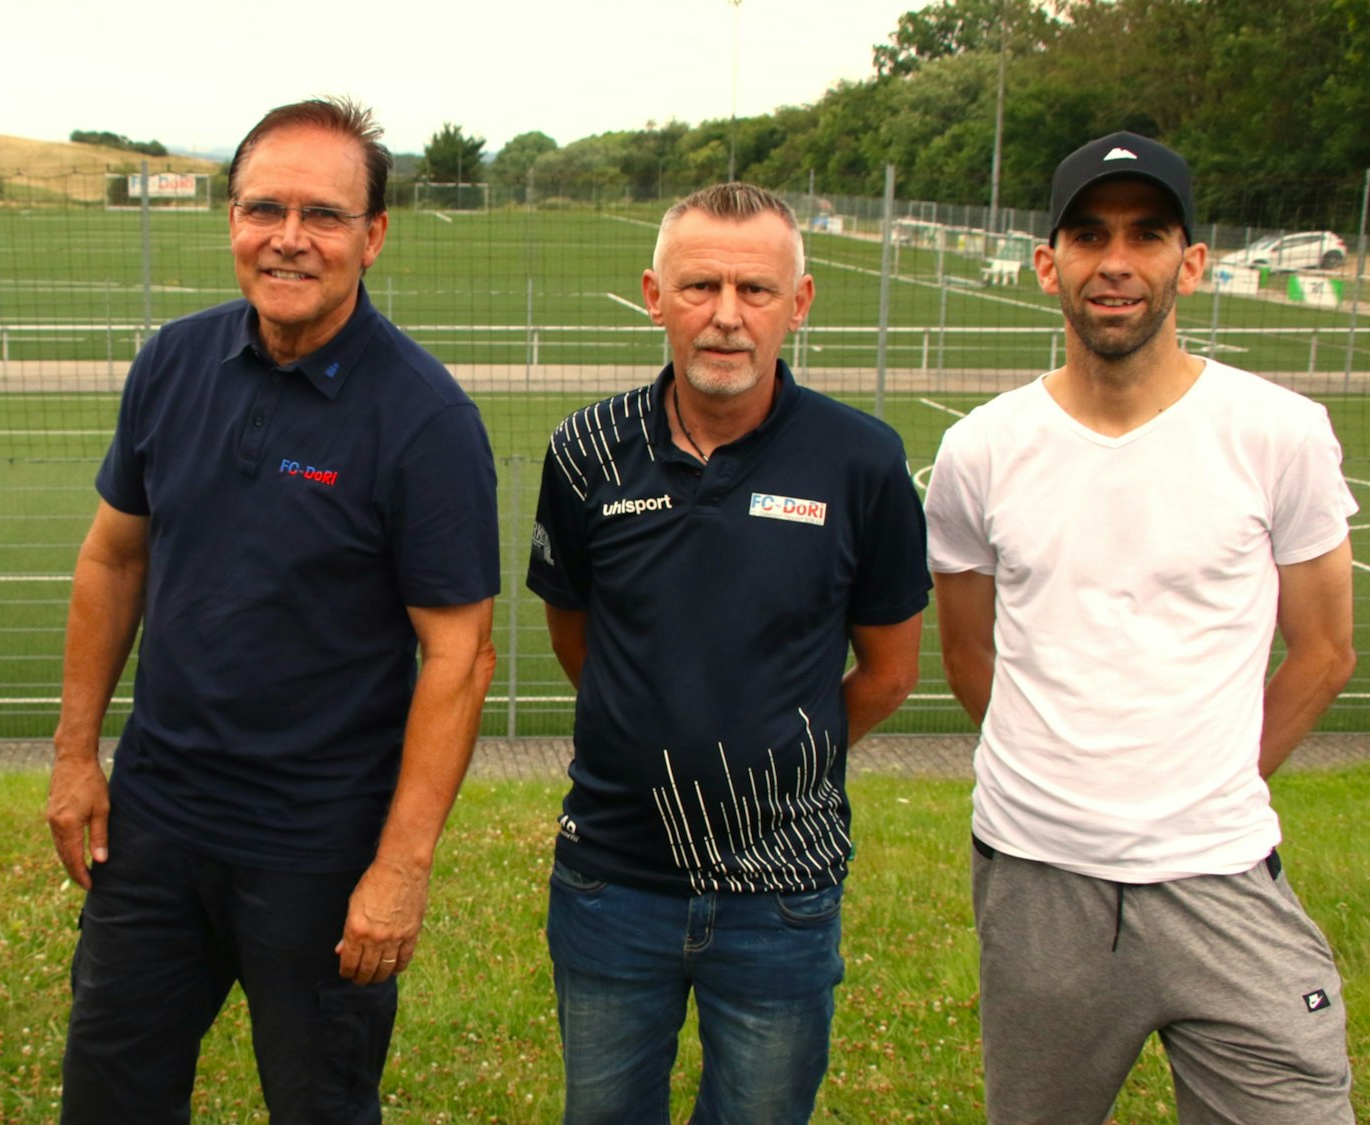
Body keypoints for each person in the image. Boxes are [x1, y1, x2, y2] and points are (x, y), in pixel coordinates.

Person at [44, 97, 499, 1123]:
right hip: (155, 822)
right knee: (109, 1094)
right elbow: (113, 559)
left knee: (320, 1105)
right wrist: (77, 757)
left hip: (317, 846)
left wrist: (398, 867)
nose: (288, 238)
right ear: (231, 218)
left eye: (324, 216)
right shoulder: (171, 362)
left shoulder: (424, 420)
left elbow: (457, 655)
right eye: (263, 209)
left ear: (372, 236)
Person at [925, 131, 1357, 1123]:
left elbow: (1324, 650)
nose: (1113, 260)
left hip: (1221, 876)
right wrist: (1062, 779)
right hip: (1038, 886)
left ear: (1189, 264)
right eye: (1086, 235)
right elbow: (966, 650)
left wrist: (1210, 784)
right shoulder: (978, 450)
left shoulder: (1275, 433)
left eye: (1145, 234)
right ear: (1048, 265)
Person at [525, 182, 931, 1123]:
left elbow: (890, 670)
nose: (726, 316)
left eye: (755, 289)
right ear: (653, 295)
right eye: (700, 285)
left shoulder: (862, 461)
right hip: (611, 880)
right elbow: (574, 632)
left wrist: (785, 751)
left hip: (782, 891)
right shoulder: (586, 450)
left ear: (800, 301)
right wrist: (655, 730)